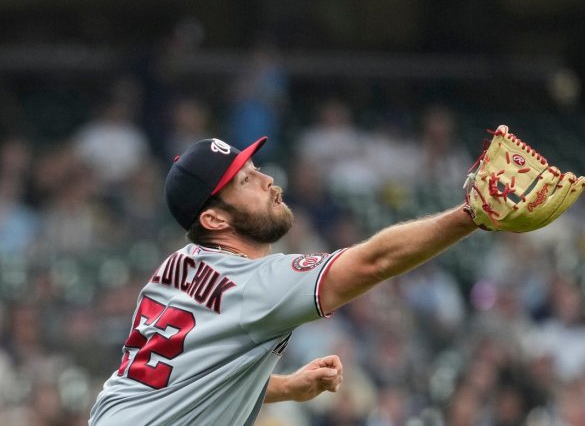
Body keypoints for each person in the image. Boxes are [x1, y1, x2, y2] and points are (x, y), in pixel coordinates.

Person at [88, 134, 480, 425]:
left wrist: (287, 387)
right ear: (214, 219)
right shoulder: (257, 283)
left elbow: (187, 378)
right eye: (245, 181)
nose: (267, 181)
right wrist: (471, 215)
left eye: (255, 170)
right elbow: (375, 262)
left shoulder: (175, 266)